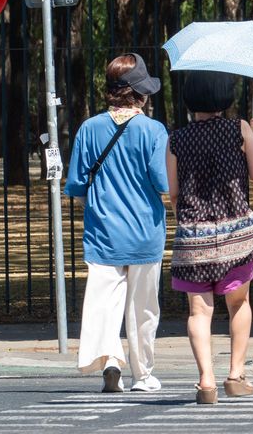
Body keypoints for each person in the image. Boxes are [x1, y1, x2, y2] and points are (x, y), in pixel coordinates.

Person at [65, 53, 168, 393]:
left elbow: (78, 184)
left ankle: (110, 360)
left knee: (104, 305)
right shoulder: (153, 130)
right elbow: (162, 182)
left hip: (103, 232)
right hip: (144, 232)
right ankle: (143, 374)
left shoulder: (89, 129)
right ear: (139, 93)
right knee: (142, 309)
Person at [166, 70, 253, 404]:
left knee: (199, 312)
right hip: (236, 234)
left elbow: (174, 193)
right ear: (224, 96)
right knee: (239, 303)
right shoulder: (239, 128)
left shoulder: (176, 139)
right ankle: (236, 375)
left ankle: (205, 381)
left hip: (193, 237)